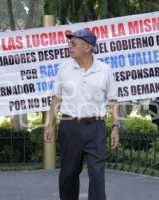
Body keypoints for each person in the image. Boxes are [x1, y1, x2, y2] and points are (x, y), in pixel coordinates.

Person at [43, 29, 119, 200]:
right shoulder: (64, 68)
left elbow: (113, 101)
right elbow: (56, 98)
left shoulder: (104, 70)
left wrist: (115, 126)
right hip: (69, 127)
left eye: (73, 44)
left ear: (87, 47)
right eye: (70, 43)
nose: (70, 47)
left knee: (97, 175)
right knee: (68, 174)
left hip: (96, 128)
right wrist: (49, 125)